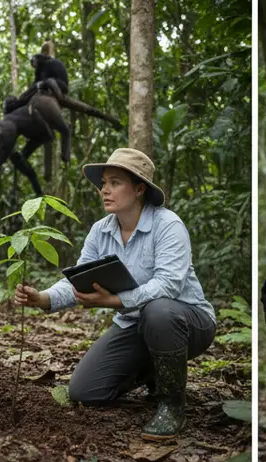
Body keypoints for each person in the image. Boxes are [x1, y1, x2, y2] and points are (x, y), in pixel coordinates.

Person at [13, 148, 216, 440]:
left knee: (157, 311)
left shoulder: (168, 225)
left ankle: (172, 405)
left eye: (114, 182)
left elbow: (169, 284)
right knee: (84, 391)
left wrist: (115, 301)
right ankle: (155, 373)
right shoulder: (100, 231)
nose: (104, 190)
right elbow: (80, 278)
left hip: (186, 321)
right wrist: (41, 298)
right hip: (134, 325)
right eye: (103, 183)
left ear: (139, 189)